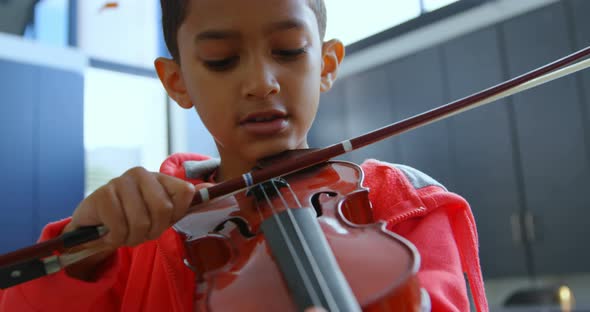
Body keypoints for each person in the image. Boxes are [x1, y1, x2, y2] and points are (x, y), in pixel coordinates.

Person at [0, 0, 488, 311]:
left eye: (291, 51)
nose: (261, 83)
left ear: (327, 64)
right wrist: (84, 254)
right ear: (177, 81)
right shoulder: (142, 230)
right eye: (221, 60)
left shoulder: (403, 203)